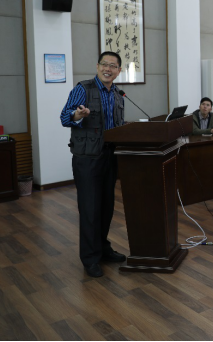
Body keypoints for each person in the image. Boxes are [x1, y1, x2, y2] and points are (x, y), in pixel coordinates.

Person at [59, 52, 127, 278]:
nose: (108, 69)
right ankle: (90, 258)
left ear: (119, 71)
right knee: (90, 208)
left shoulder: (118, 94)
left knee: (106, 207)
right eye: (104, 64)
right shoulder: (83, 89)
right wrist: (78, 115)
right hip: (87, 158)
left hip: (110, 156)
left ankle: (103, 249)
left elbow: (117, 124)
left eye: (113, 66)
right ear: (97, 66)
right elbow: (64, 117)